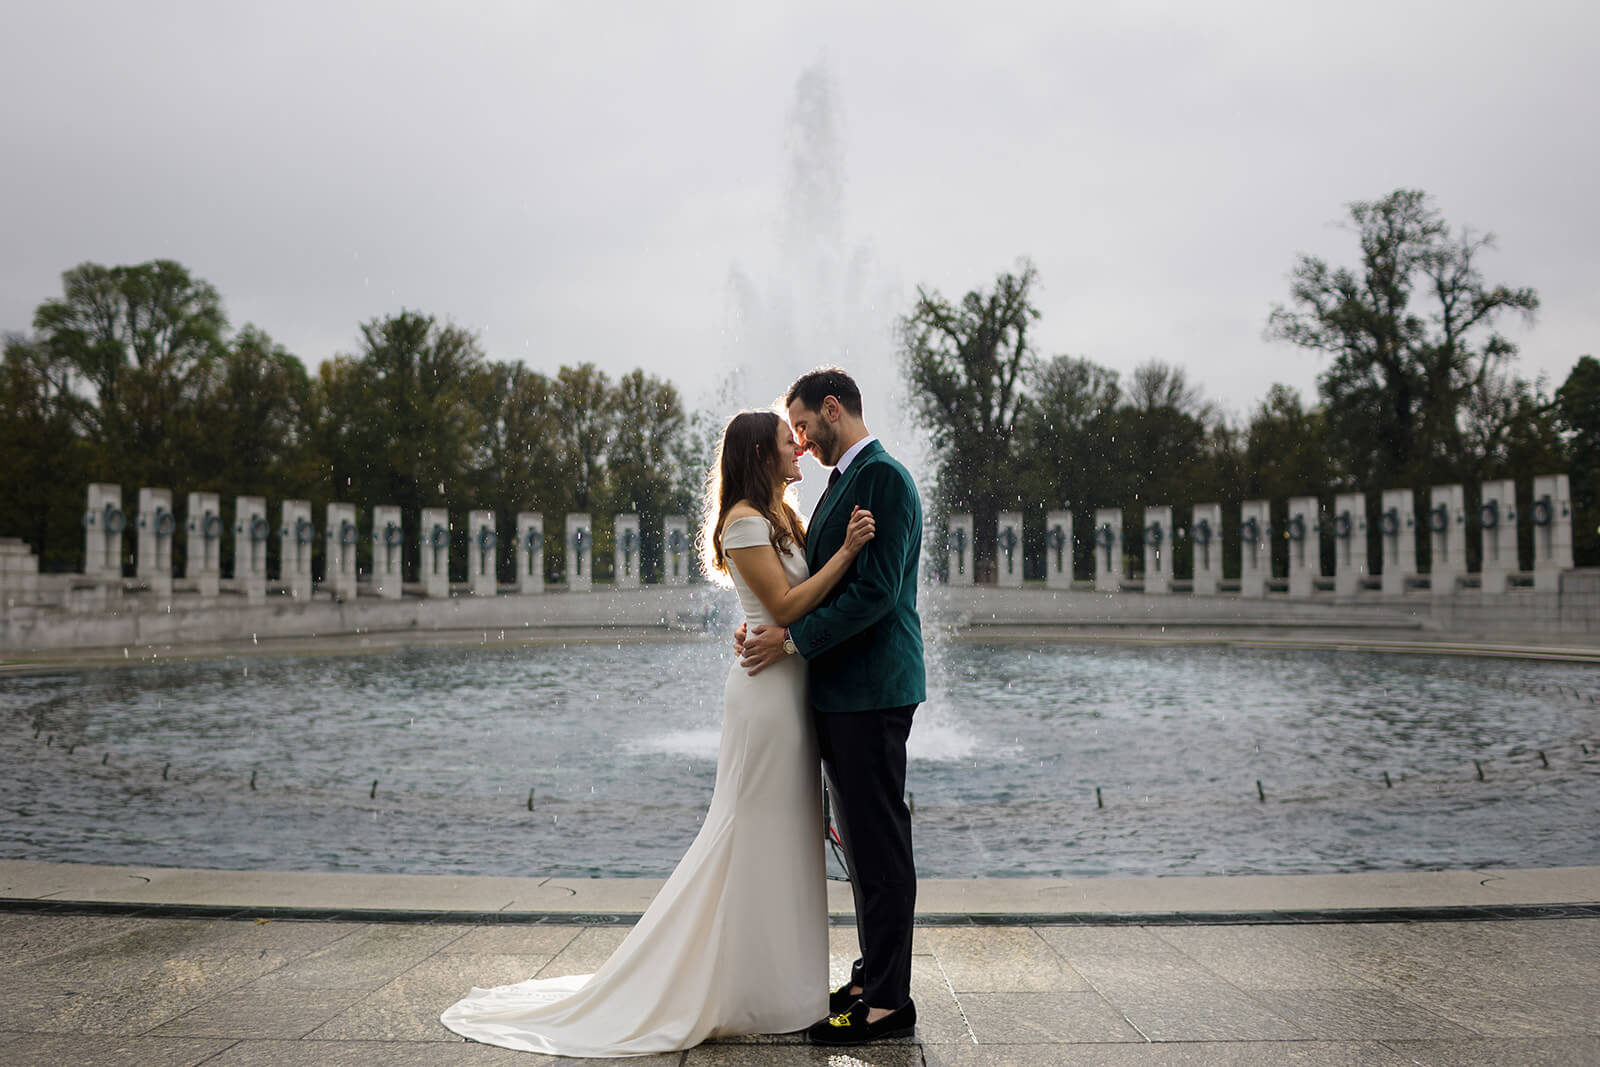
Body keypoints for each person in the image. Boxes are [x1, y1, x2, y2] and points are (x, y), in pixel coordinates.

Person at [439, 409, 875, 1057]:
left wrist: (794, 595)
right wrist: (845, 553)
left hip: (790, 688)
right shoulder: (744, 521)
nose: (800, 447)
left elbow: (784, 602)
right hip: (765, 700)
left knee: (785, 835)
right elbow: (784, 606)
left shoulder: (783, 515)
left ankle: (780, 984)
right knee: (746, 831)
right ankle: (727, 981)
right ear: (760, 453)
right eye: (789, 441)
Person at [738, 366, 926, 1047]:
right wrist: (769, 620)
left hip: (873, 692)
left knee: (880, 845)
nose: (799, 439)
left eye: (803, 424)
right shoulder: (844, 482)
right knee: (860, 844)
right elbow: (818, 580)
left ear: (832, 408)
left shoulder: (884, 478)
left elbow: (875, 593)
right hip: (845, 693)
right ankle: (872, 974)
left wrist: (792, 639)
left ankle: (888, 1004)